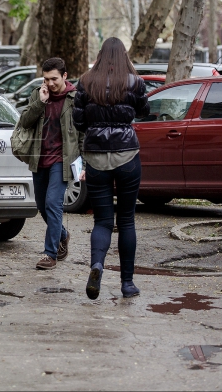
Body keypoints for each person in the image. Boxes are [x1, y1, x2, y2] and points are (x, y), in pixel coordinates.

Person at [72, 37, 149, 299]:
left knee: (102, 221)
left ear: (101, 55)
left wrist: (95, 128)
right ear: (123, 55)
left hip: (95, 157)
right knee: (126, 220)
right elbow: (144, 110)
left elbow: (78, 120)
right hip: (127, 155)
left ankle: (96, 266)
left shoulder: (85, 81)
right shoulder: (134, 81)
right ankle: (127, 284)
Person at [17, 58, 83, 270]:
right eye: (46, 79)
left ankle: (49, 253)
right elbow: (25, 121)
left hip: (62, 159)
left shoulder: (75, 98)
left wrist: (85, 164)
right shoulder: (38, 93)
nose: (50, 83)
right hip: (39, 158)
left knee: (53, 203)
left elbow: (83, 133)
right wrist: (40, 102)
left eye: (54, 79)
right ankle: (63, 235)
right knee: (42, 206)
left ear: (64, 76)